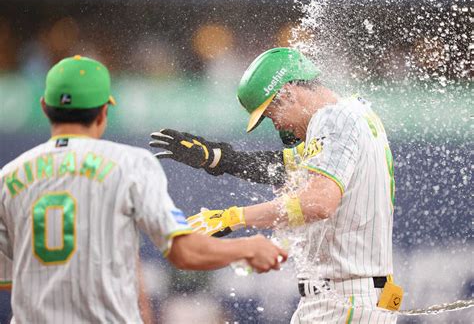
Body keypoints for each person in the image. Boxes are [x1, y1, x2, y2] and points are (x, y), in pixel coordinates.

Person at [0, 55, 287, 323]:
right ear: (103, 111)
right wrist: (246, 247)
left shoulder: (7, 177)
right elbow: (183, 252)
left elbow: (10, 277)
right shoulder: (130, 165)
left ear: (44, 106)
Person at [150, 47, 402, 323]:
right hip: (348, 297)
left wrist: (234, 217)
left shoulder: (333, 117)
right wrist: (217, 158)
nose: (277, 126)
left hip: (345, 301)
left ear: (288, 93)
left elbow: (317, 203)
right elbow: (284, 166)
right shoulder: (353, 112)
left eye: (270, 115)